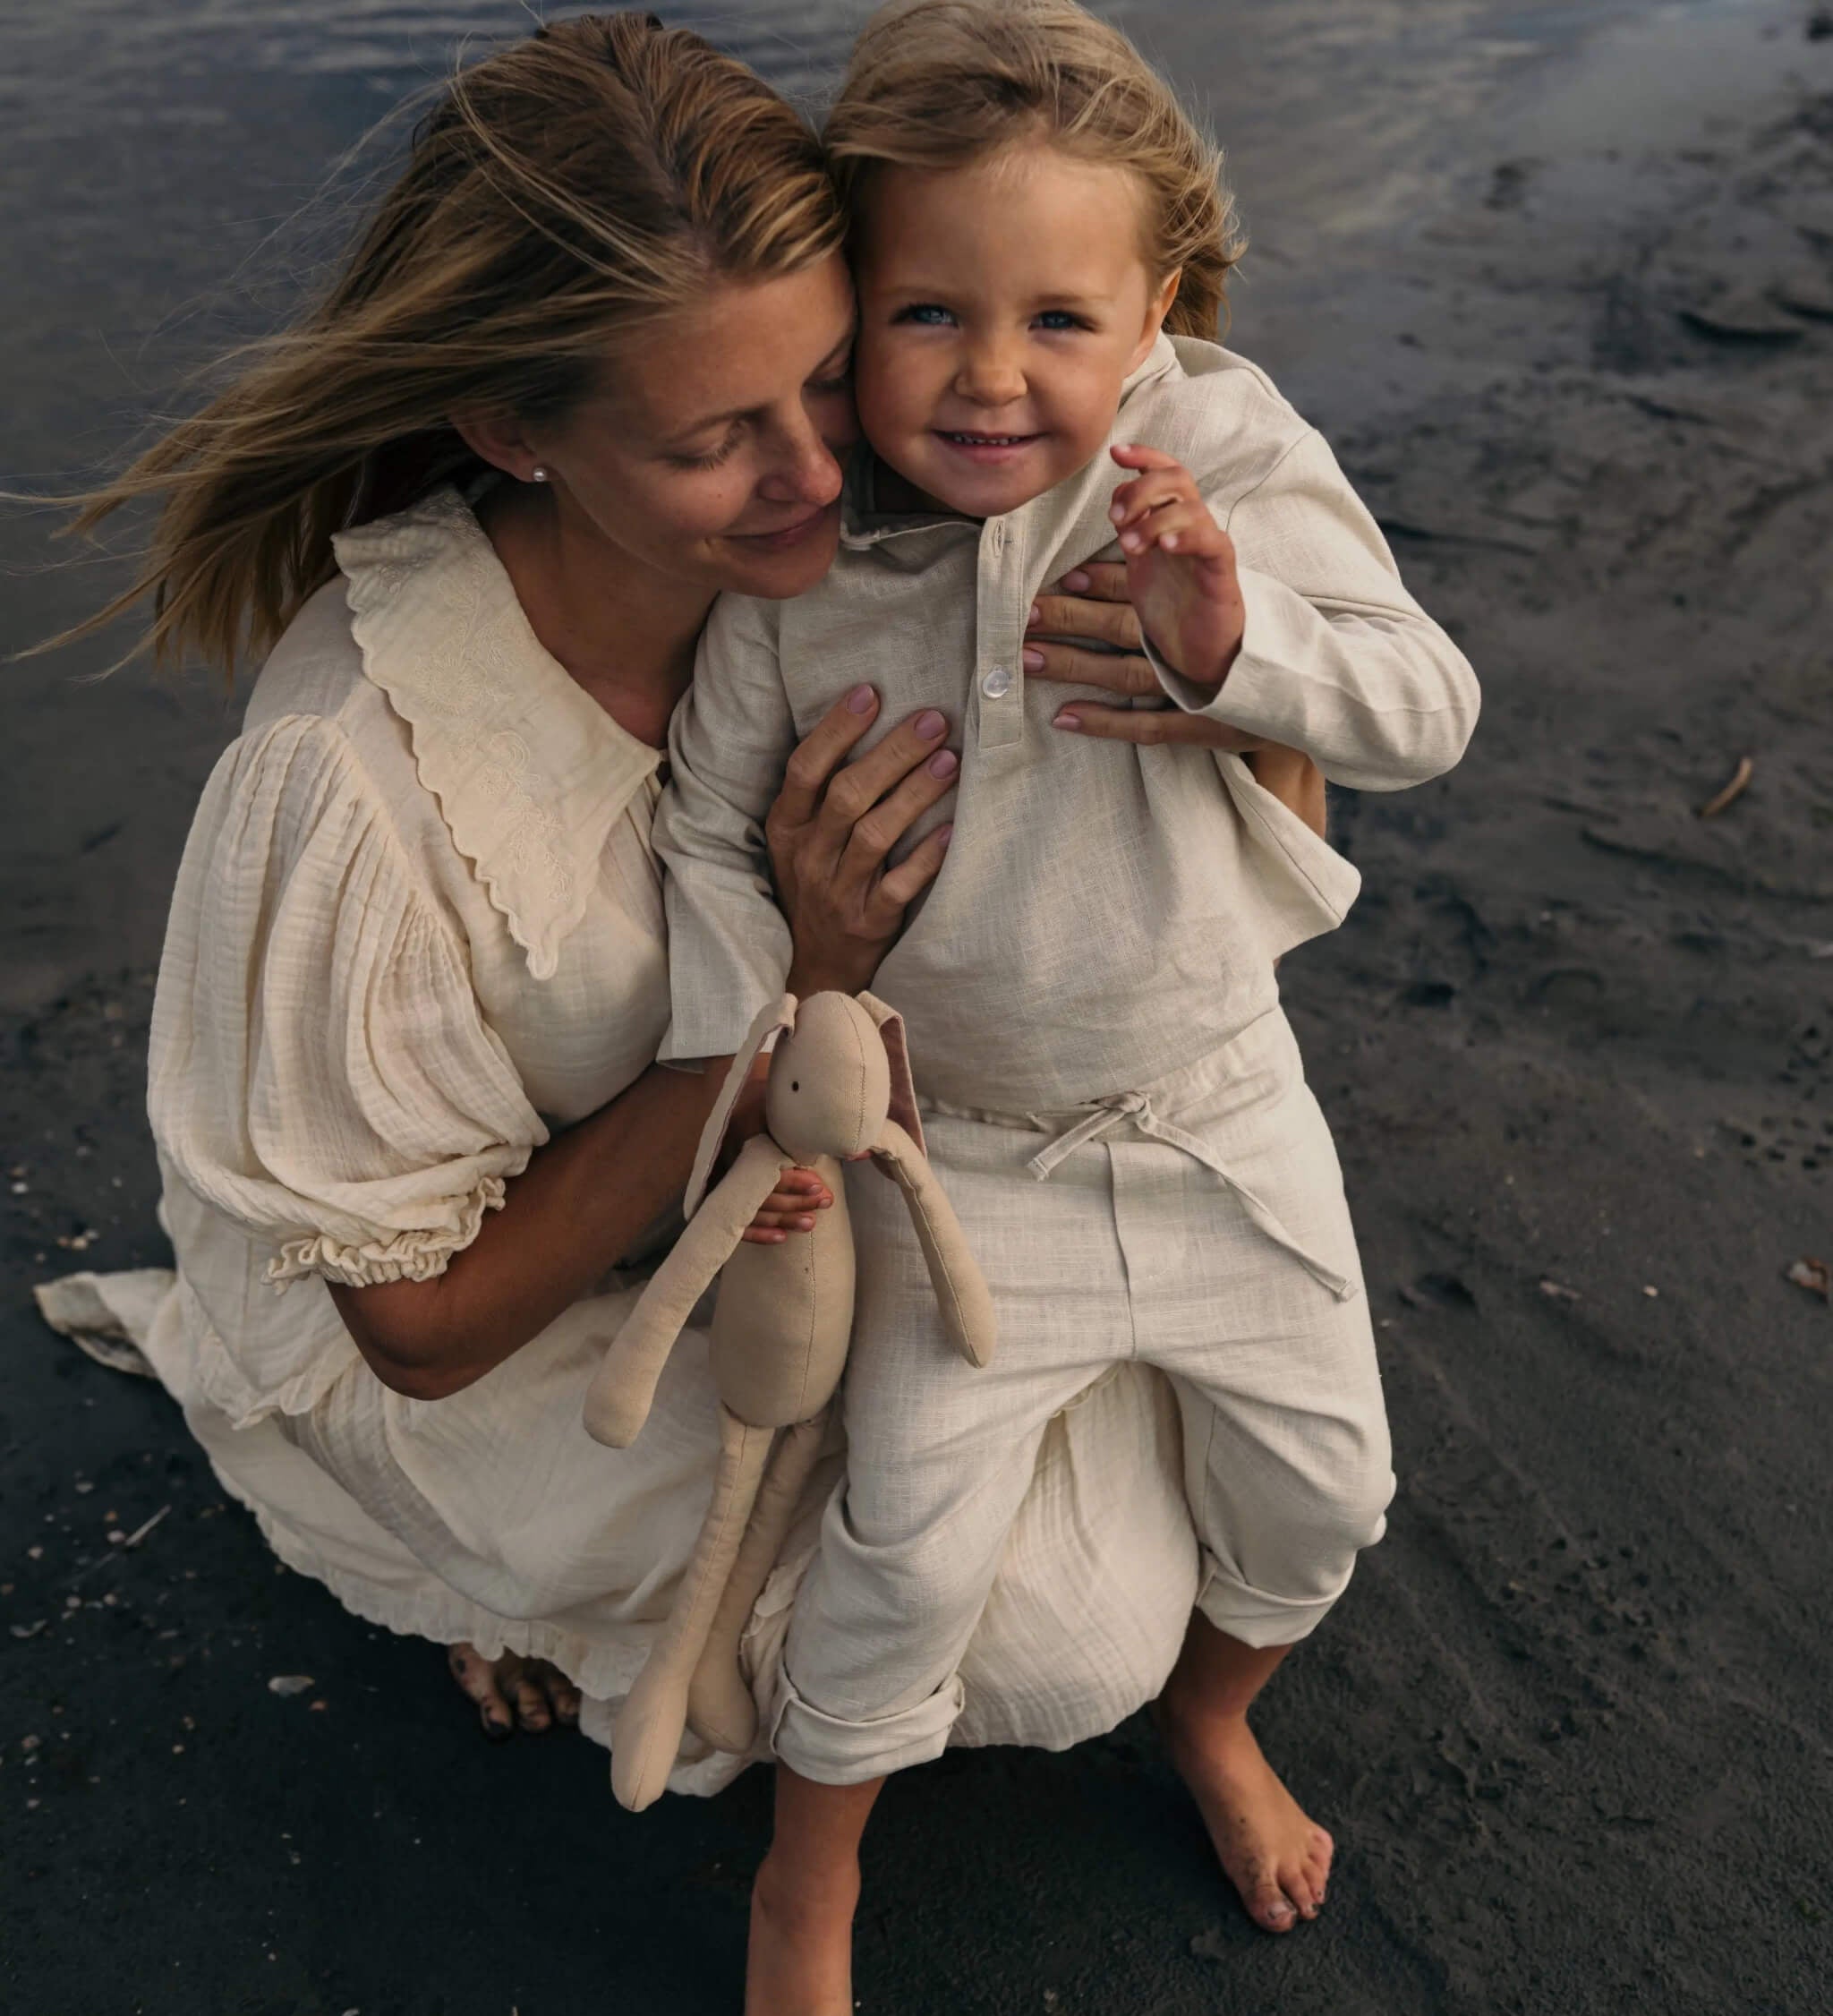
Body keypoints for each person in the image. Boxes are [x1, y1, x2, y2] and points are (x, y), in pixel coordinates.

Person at [38, 3, 1258, 1960]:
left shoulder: (864, 550)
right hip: (485, 1322)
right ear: (514, 431)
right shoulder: (354, 784)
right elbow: (418, 1326)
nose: (810, 477)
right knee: (1063, 1635)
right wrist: (801, 994)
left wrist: (1234, 677)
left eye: (823, 381)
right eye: (711, 440)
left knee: (1178, 1471)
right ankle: (464, 1578)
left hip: (783, 1212)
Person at [652, 1, 1481, 2003]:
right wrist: (764, 1075)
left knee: (1328, 1493)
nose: (995, 376)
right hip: (961, 1162)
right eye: (929, 314)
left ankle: (1207, 1713)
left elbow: (1425, 707)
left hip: (1212, 1106)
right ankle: (809, 1880)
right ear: (854, 302)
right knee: (906, 1554)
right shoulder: (810, 556)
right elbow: (694, 839)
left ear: (1161, 309)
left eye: (1060, 319)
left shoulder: (1219, 449)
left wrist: (1236, 641)